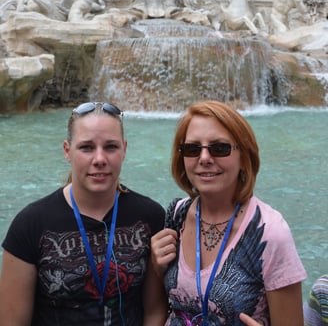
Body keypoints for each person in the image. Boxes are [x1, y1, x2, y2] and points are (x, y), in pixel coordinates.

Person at [0, 101, 167, 325]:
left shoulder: (151, 218)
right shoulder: (30, 225)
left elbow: (154, 311)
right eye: (86, 147)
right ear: (67, 151)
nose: (99, 159)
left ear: (124, 149)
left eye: (110, 147)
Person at [151, 100, 306, 325]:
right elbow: (156, 311)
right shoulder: (176, 215)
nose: (204, 158)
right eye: (193, 148)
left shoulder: (269, 232)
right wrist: (156, 268)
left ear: (244, 156)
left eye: (219, 148)